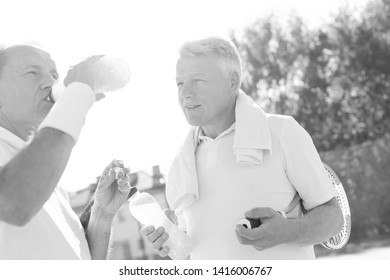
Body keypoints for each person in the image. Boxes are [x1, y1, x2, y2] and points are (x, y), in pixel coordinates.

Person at [140, 37, 344, 259]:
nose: (185, 93)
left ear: (232, 81)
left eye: (197, 80)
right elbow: (191, 250)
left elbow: (334, 219)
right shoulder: (181, 163)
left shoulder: (282, 132)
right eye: (179, 83)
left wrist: (287, 231)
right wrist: (171, 240)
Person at [0, 44, 131, 259]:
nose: (51, 83)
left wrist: (101, 215)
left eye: (54, 75)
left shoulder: (47, 181)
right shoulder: (23, 180)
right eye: (33, 73)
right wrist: (79, 92)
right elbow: (13, 203)